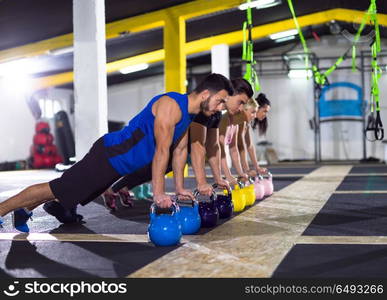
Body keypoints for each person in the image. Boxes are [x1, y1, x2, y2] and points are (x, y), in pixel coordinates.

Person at [0, 73, 234, 232]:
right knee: (56, 188)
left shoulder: (190, 115)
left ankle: (23, 210)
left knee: (67, 192)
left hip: (118, 165)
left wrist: (181, 189)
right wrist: (159, 193)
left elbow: (180, 152)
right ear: (206, 94)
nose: (221, 107)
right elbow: (162, 150)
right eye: (221, 101)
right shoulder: (172, 105)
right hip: (110, 156)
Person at [189, 78, 253, 195]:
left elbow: (214, 146)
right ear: (231, 94)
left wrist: (218, 178)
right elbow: (197, 146)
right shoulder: (204, 108)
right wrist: (202, 182)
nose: (241, 109)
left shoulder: (216, 114)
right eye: (241, 102)